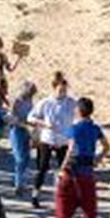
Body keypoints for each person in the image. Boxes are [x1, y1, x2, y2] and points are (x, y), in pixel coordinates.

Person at [53, 97, 109, 218]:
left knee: (64, 199)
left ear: (78, 111)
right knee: (89, 202)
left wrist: (62, 167)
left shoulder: (74, 129)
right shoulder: (95, 129)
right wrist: (97, 158)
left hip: (73, 169)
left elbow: (71, 149)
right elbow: (107, 147)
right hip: (88, 170)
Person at [27, 71, 76, 208]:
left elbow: (78, 114)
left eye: (65, 90)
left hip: (63, 140)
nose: (63, 93)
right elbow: (30, 117)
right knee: (42, 168)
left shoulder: (71, 102)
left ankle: (65, 197)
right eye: (60, 90)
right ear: (54, 88)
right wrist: (43, 124)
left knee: (65, 169)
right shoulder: (46, 102)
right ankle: (35, 195)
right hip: (47, 139)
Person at [8, 80, 38, 199]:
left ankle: (21, 181)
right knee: (19, 158)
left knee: (26, 158)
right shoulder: (17, 101)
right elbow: (12, 117)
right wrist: (23, 124)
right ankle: (18, 184)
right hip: (17, 130)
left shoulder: (29, 101)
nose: (31, 94)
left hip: (27, 130)